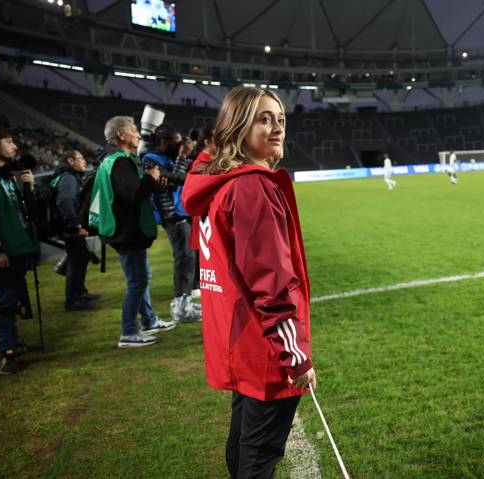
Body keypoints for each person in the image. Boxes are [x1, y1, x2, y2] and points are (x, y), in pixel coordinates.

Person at [182, 86, 316, 478]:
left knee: (242, 451)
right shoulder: (251, 187)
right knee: (257, 462)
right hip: (264, 350)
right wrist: (294, 354)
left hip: (238, 341)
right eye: (263, 118)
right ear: (237, 126)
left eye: (281, 119)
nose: (277, 128)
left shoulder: (218, 183)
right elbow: (271, 283)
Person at [89, 116, 176, 348]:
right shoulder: (119, 161)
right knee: (137, 281)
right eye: (134, 130)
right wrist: (150, 178)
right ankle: (128, 332)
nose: (138, 134)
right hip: (127, 230)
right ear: (120, 135)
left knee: (140, 277)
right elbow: (133, 195)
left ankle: (148, 321)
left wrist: (152, 181)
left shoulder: (115, 160)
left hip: (124, 229)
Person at [141, 126, 201, 323]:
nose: (179, 145)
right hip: (172, 216)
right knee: (184, 257)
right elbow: (174, 180)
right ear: (162, 143)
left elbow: (180, 179)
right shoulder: (150, 160)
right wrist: (182, 159)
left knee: (189, 256)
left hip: (183, 212)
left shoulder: (168, 160)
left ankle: (185, 303)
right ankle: (180, 307)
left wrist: (177, 173)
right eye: (175, 142)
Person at [0, 125, 40, 374]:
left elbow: (25, 212)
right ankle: (6, 353)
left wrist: (29, 188)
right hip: (3, 252)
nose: (15, 146)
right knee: (5, 303)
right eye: (9, 141)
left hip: (19, 247)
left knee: (13, 299)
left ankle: (13, 343)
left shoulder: (9, 175)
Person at [50, 150, 99, 310]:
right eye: (81, 158)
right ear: (70, 161)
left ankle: (79, 293)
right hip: (69, 227)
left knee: (81, 257)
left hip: (66, 225)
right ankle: (72, 301)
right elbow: (64, 202)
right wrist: (76, 225)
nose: (84, 161)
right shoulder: (68, 178)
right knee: (76, 261)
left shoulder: (65, 176)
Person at [188, 126, 217, 299]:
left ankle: (199, 283)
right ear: (207, 142)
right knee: (205, 252)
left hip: (208, 218)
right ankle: (197, 284)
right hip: (206, 218)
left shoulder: (208, 160)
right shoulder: (201, 163)